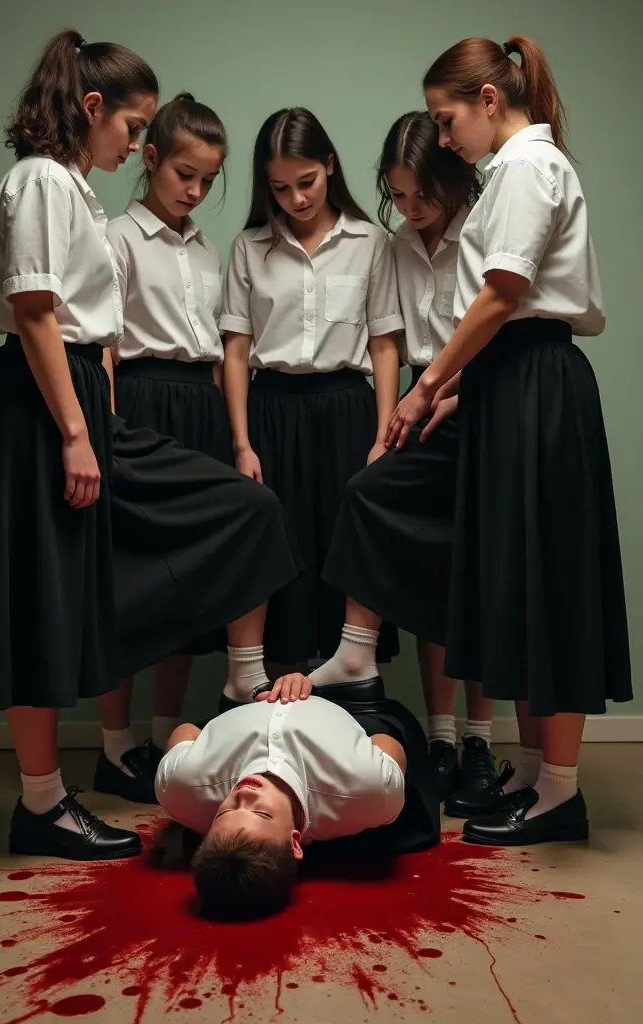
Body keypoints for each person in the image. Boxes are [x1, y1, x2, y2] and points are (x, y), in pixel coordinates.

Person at [0, 29, 297, 861]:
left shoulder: (72, 186)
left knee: (243, 511)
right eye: (135, 127)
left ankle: (241, 681)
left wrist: (93, 424)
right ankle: (42, 804)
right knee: (41, 598)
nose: (138, 144)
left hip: (74, 399)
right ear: (93, 108)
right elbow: (36, 308)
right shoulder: (41, 179)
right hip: (43, 402)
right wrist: (76, 433)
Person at [382, 34, 630, 845]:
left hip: (536, 383)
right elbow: (496, 312)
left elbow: (503, 295)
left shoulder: (528, 167)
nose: (443, 137)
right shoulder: (510, 172)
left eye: (446, 119)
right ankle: (533, 770)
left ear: (490, 100)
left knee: (548, 575)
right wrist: (460, 394)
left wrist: (428, 384)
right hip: (509, 383)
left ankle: (561, 790)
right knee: (521, 574)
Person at [318, 110, 501, 816]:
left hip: (477, 403)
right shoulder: (395, 246)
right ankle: (442, 738)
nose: (410, 207)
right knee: (380, 509)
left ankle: (480, 744)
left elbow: (496, 327)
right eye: (396, 195)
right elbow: (388, 340)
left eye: (421, 194)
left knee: (475, 570)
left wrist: (449, 396)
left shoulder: (486, 229)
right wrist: (383, 425)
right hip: (421, 405)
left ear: (451, 180)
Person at [221, 108, 403, 678]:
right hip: (271, 410)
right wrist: (242, 443)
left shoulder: (371, 242)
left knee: (343, 549)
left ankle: (346, 693)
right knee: (281, 552)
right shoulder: (250, 247)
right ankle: (272, 708)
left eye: (307, 182)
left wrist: (383, 436)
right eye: (280, 187)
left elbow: (384, 344)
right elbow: (234, 350)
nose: (296, 198)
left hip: (348, 408)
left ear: (329, 166)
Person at [96, 93, 231, 803]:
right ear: (150, 159)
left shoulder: (208, 249)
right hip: (141, 401)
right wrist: (111, 430)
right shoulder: (115, 237)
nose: (196, 190)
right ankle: (114, 748)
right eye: (185, 173)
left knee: (186, 582)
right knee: (129, 576)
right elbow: (108, 347)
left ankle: (164, 737)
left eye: (209, 179)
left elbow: (213, 348)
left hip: (199, 406)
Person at [155, 674, 439, 919]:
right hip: (342, 702)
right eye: (262, 813)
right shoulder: (370, 791)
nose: (245, 793)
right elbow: (387, 743)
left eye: (224, 812)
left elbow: (187, 731)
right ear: (295, 842)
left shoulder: (180, 790)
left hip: (242, 699)